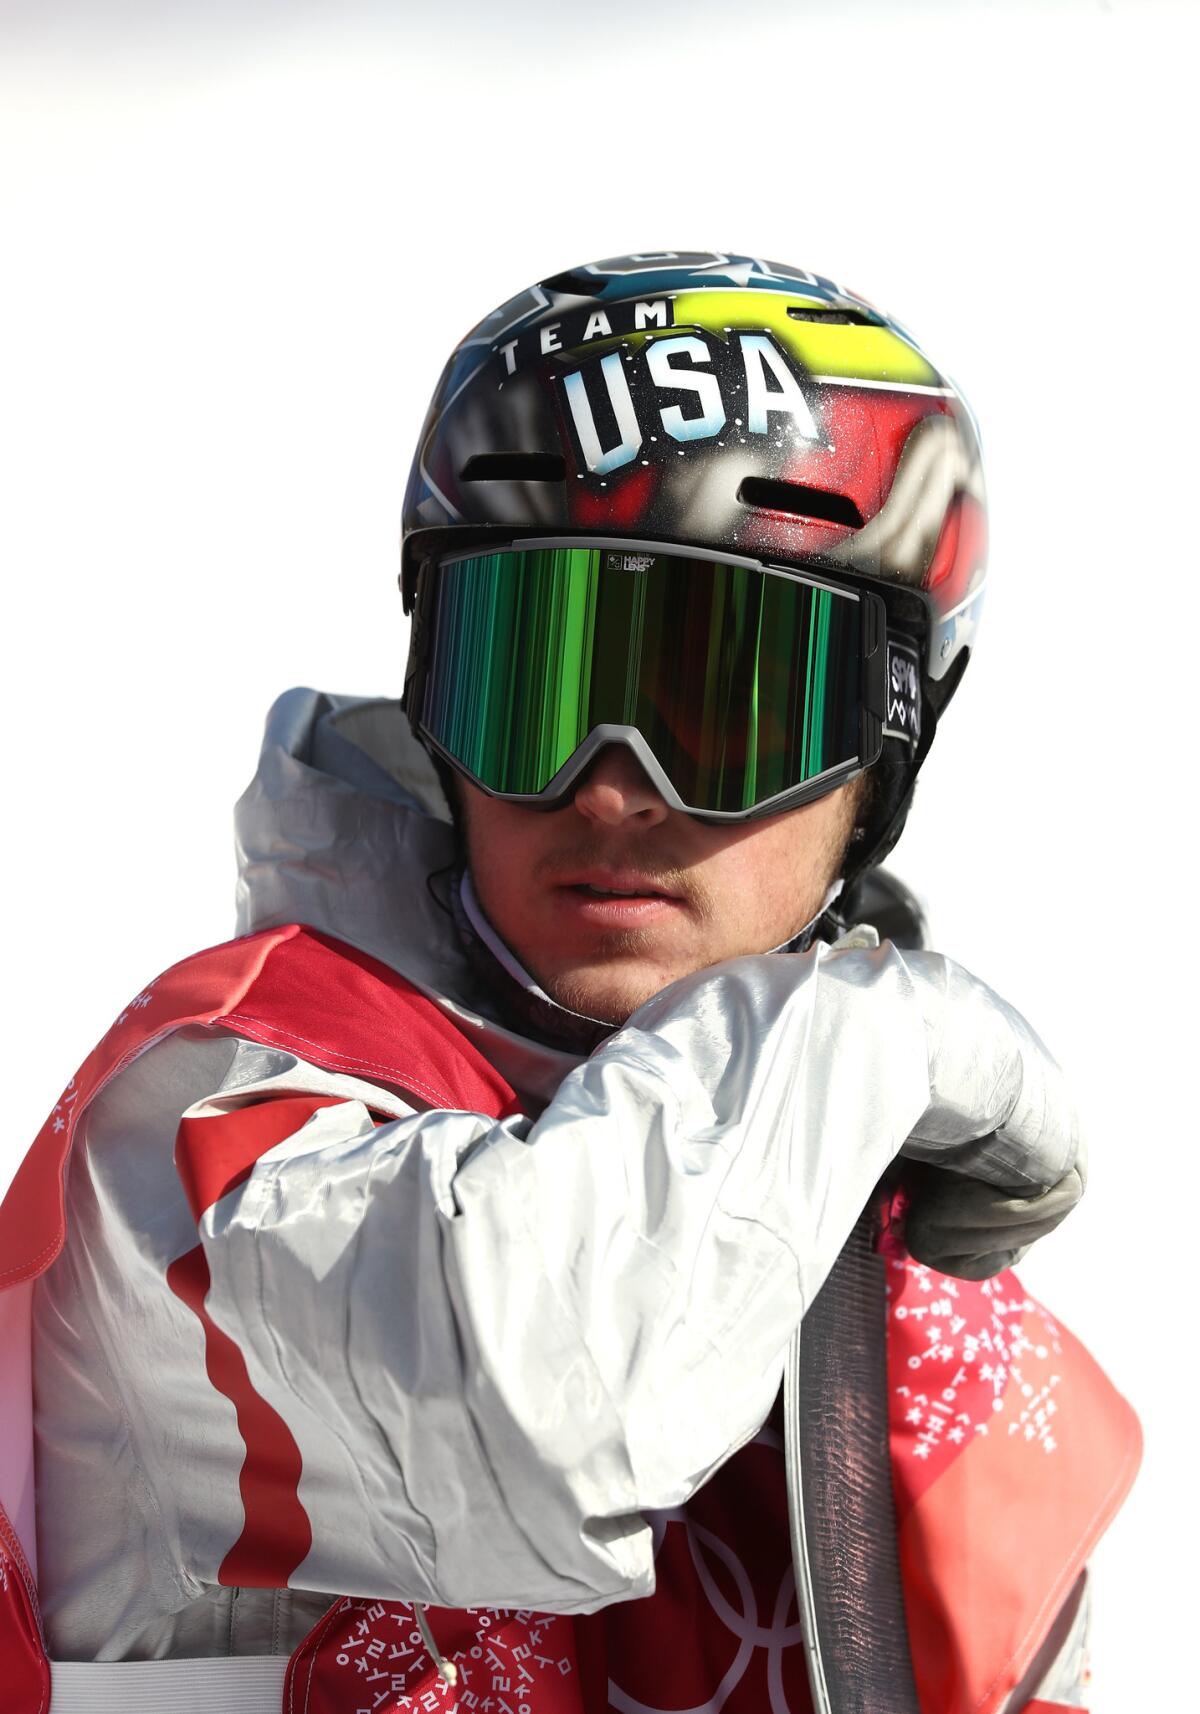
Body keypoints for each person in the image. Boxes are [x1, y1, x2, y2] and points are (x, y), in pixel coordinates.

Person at [0, 254, 1139, 1714]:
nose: (611, 789)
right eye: (531, 679)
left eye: (724, 703)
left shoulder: (913, 1273)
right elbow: (558, 1406)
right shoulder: (216, 1118)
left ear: (887, 750)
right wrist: (870, 1025)